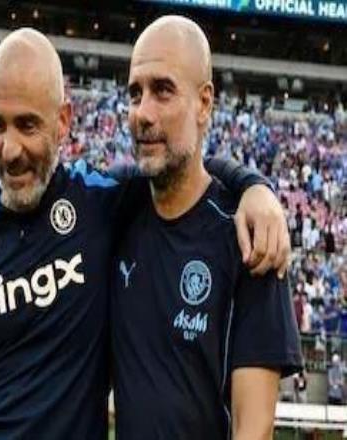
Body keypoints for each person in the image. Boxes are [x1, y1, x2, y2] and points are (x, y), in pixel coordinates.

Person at [0, 28, 291, 440]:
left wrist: (255, 186)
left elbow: (179, 167)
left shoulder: (98, 202)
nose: (10, 148)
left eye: (27, 125)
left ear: (63, 121)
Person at [111, 16, 302, 440]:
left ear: (204, 103)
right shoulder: (116, 209)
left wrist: (255, 188)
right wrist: (254, 182)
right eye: (135, 93)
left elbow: (254, 428)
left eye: (163, 90)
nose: (143, 113)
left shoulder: (249, 238)